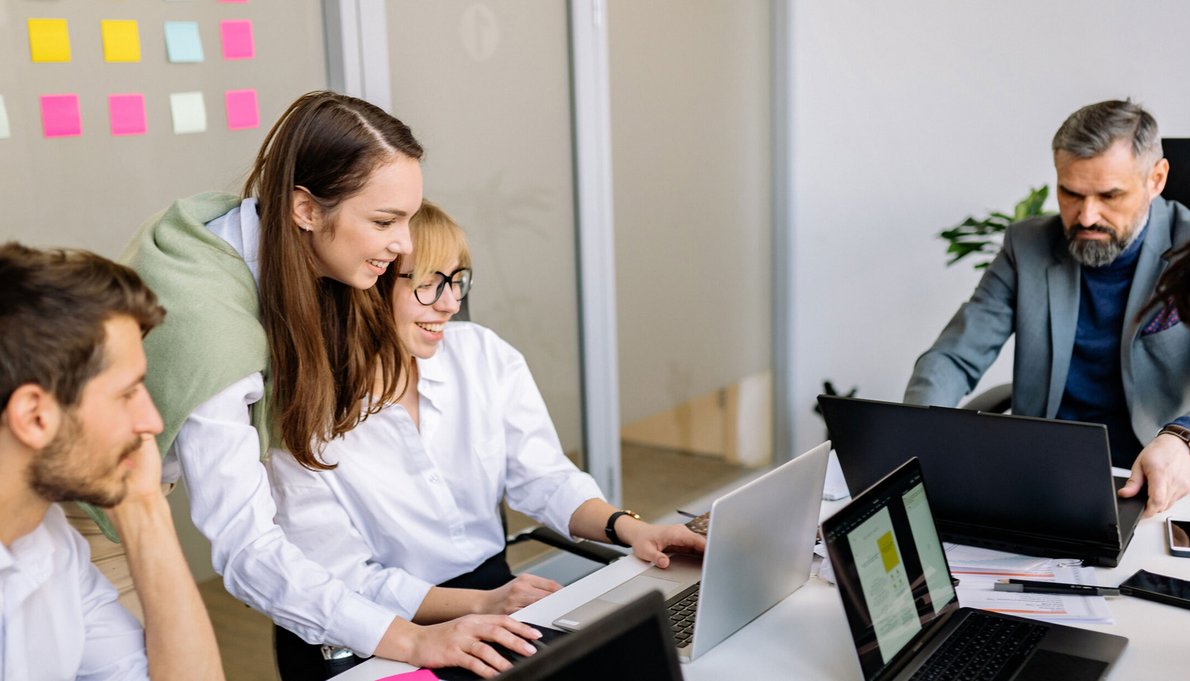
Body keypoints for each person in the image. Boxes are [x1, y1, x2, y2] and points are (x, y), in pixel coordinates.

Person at [114, 91, 539, 680]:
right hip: (87, 512)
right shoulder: (215, 332)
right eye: (385, 221)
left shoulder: (253, 232)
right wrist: (413, 643)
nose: (406, 247)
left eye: (409, 218)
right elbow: (247, 550)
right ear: (305, 209)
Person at [268, 200, 707, 666]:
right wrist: (481, 604)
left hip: (494, 593)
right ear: (368, 286)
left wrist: (633, 530)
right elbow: (345, 581)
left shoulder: (482, 356)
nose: (451, 303)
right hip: (374, 632)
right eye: (428, 284)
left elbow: (545, 477)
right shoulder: (304, 415)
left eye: (457, 280)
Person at [905, 99, 1190, 517]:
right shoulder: (1026, 247)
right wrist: (911, 439)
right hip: (1043, 479)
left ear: (1156, 179)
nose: (1086, 216)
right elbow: (954, 356)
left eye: (1109, 195)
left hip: (1161, 483)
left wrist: (1185, 437)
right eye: (1071, 193)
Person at [0, 243, 223, 680]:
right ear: (34, 416)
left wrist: (143, 508)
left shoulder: (49, 542)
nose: (152, 421)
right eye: (127, 394)